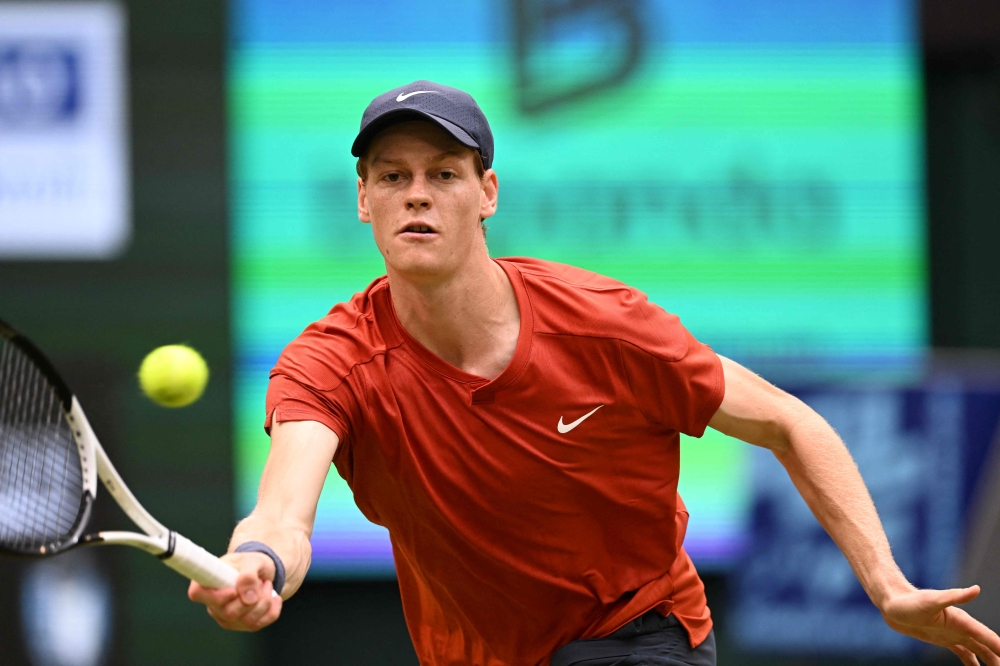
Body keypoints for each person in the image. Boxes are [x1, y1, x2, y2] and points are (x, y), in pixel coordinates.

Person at [190, 81, 1000, 666]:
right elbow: (283, 513)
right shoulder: (331, 360)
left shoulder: (602, 323)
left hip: (636, 632)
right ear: (363, 201)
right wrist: (257, 566)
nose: (418, 196)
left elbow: (790, 423)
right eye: (393, 177)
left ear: (487, 194)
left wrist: (887, 585)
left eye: (443, 173)